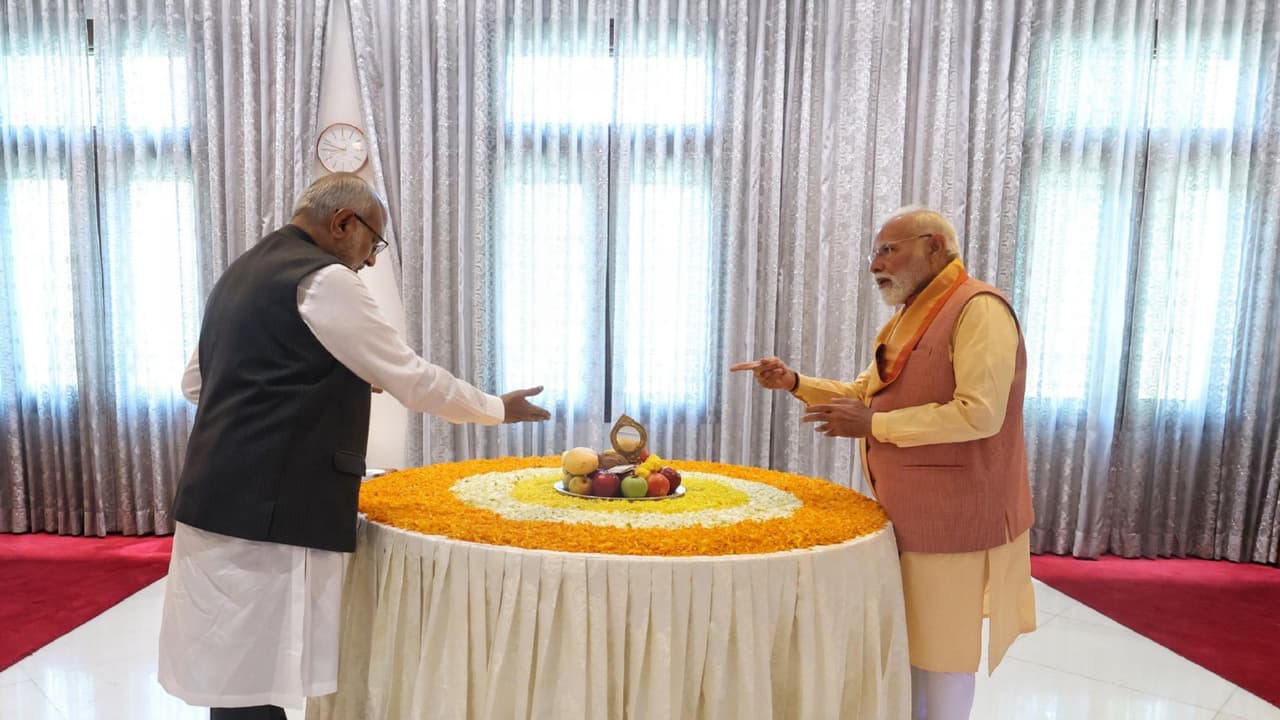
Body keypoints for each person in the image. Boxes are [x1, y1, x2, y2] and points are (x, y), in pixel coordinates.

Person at [158, 172, 551, 719]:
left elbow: (196, 384)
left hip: (216, 494)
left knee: (236, 676)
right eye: (374, 243)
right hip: (270, 508)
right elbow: (411, 378)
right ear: (344, 223)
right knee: (253, 678)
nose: (369, 260)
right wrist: (495, 408)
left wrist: (317, 373)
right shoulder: (325, 280)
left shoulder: (241, 272)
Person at [732, 206, 1036, 720]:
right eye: (874, 252)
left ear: (935, 246)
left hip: (955, 513)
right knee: (912, 644)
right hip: (905, 508)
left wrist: (874, 426)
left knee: (943, 653)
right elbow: (865, 393)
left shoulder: (978, 308)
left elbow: (980, 414)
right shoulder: (910, 314)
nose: (875, 264)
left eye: (888, 250)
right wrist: (795, 383)